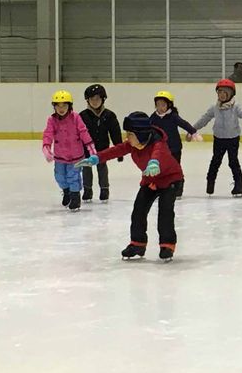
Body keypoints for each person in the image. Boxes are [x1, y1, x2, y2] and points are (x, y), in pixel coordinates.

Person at [78, 112, 184, 262]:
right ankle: (137, 244)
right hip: (150, 180)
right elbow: (115, 150)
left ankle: (167, 245)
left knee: (165, 212)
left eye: (130, 134)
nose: (127, 138)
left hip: (170, 179)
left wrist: (154, 163)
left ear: (140, 134)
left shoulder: (158, 144)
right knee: (138, 211)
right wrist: (96, 158)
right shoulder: (133, 145)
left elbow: (158, 154)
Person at [194, 78, 242, 197]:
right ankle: (210, 182)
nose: (222, 95)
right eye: (219, 92)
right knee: (215, 161)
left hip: (233, 138)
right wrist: (193, 129)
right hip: (219, 138)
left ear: (231, 94)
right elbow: (204, 119)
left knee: (233, 162)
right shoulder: (214, 107)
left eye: (225, 92)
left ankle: (239, 186)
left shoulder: (236, 107)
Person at [43, 90, 95, 211]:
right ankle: (66, 191)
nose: (61, 109)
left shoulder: (76, 117)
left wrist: (90, 147)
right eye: (58, 106)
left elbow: (83, 132)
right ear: (54, 106)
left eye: (64, 105)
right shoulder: (52, 120)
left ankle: (75, 197)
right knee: (59, 176)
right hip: (60, 155)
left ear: (69, 106)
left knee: (73, 176)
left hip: (76, 155)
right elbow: (48, 134)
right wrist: (46, 147)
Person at [79, 84, 121, 203]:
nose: (95, 101)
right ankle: (87, 190)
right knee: (86, 169)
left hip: (103, 149)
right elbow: (77, 135)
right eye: (92, 99)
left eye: (97, 98)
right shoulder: (82, 116)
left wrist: (119, 151)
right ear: (88, 100)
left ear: (103, 99)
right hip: (86, 149)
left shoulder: (109, 115)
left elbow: (115, 133)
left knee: (102, 168)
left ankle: (104, 189)